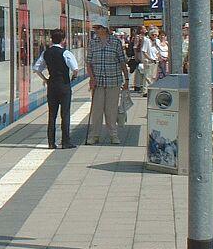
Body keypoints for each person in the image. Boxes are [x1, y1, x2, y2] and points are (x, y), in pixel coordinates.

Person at [86, 15, 129, 145]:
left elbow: (122, 62)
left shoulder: (115, 42)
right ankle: (95, 135)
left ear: (105, 29)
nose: (96, 30)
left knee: (111, 110)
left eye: (98, 28)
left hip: (113, 81)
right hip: (98, 82)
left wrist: (126, 79)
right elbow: (89, 63)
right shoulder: (93, 43)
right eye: (95, 28)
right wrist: (92, 79)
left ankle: (113, 135)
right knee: (97, 110)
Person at [33, 29, 79, 149]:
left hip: (52, 86)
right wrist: (73, 77)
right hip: (64, 85)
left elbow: (37, 69)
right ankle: (65, 142)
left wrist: (46, 79)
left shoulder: (46, 53)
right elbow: (75, 69)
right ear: (63, 40)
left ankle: (51, 142)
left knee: (52, 114)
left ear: (52, 39)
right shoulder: (66, 53)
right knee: (65, 114)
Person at [140, 26, 160, 96]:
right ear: (150, 34)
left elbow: (158, 51)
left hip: (155, 61)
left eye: (156, 34)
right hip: (149, 61)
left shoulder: (157, 41)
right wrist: (150, 59)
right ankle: (146, 91)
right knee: (147, 76)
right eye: (153, 34)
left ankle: (151, 90)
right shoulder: (147, 40)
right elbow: (144, 51)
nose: (154, 36)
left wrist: (157, 57)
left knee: (153, 77)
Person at [132, 25, 147, 92]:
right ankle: (137, 85)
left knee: (142, 69)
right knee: (139, 69)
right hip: (139, 53)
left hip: (144, 53)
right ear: (141, 30)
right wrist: (136, 56)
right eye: (144, 28)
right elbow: (135, 47)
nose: (145, 29)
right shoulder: (138, 37)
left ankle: (140, 84)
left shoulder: (145, 37)